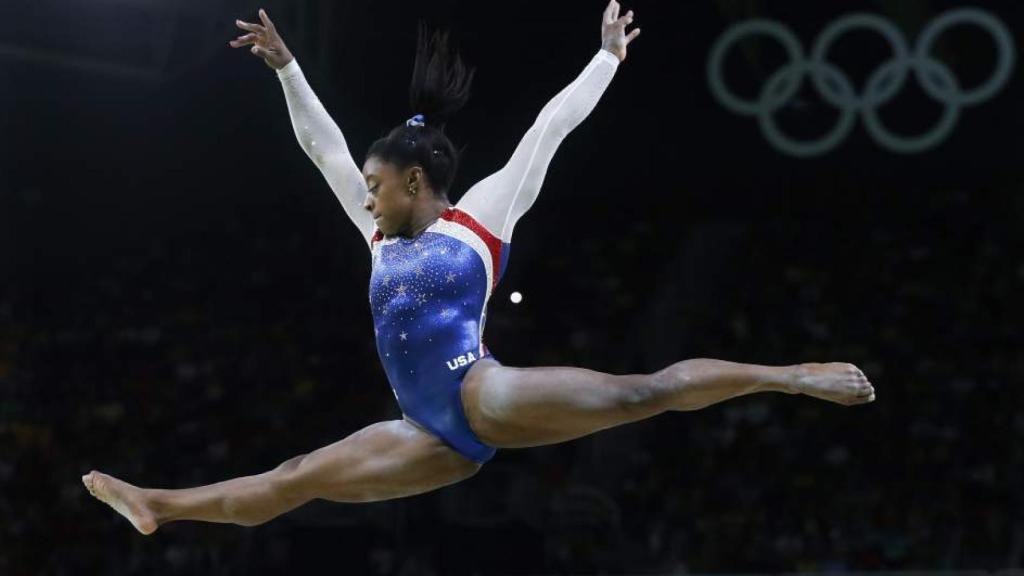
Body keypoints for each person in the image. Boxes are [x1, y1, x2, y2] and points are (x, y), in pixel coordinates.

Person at [82, 1, 874, 536]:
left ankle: (792, 374)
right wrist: (288, 69)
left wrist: (605, 60)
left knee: (643, 391)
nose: (364, 194)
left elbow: (547, 130)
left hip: (477, 392)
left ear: (415, 182)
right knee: (296, 477)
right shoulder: (378, 238)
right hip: (425, 435)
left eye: (375, 184)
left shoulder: (479, 223)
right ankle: (155, 505)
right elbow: (320, 147)